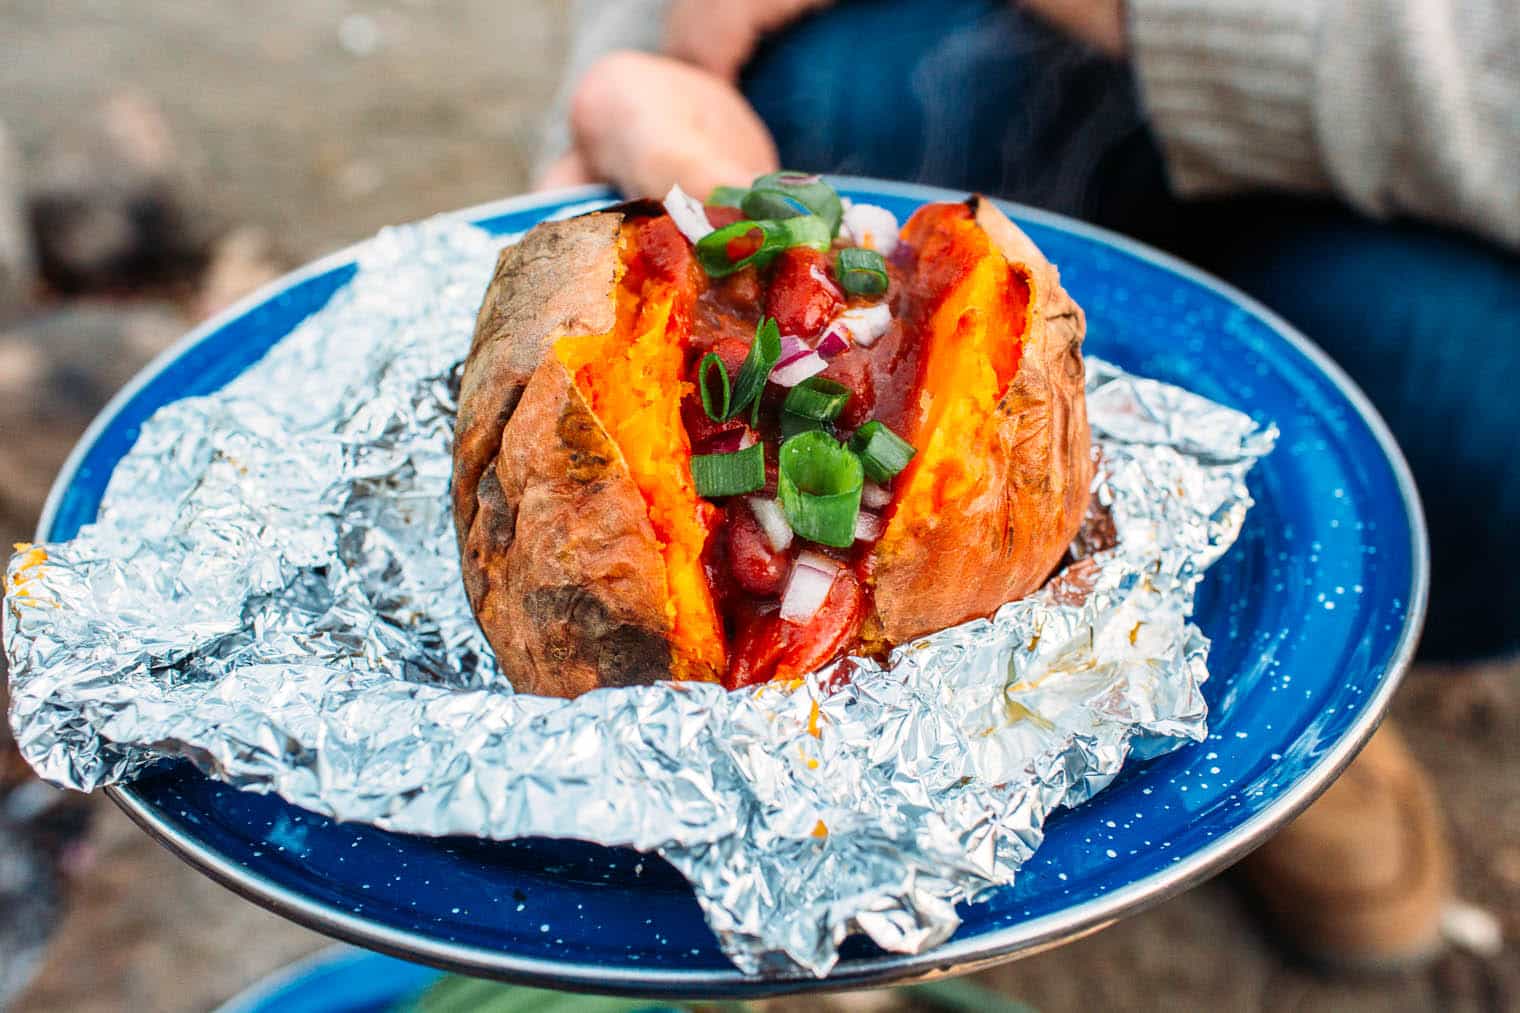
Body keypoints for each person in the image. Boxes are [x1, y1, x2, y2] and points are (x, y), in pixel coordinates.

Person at [537, 0, 1519, 970]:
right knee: (831, 83)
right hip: (997, 79)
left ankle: (1252, 680)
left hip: (1445, 160)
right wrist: (642, 94)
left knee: (1485, 416)